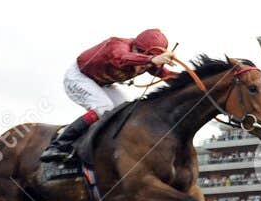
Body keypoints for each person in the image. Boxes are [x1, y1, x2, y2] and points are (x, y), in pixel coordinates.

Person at [40, 29, 178, 168]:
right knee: (103, 108)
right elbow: (122, 58)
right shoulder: (116, 46)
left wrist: (191, 79)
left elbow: (165, 74)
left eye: (150, 63)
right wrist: (151, 59)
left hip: (102, 83)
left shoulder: (147, 59)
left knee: (125, 111)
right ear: (137, 48)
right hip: (79, 77)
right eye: (145, 57)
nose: (146, 67)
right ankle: (57, 145)